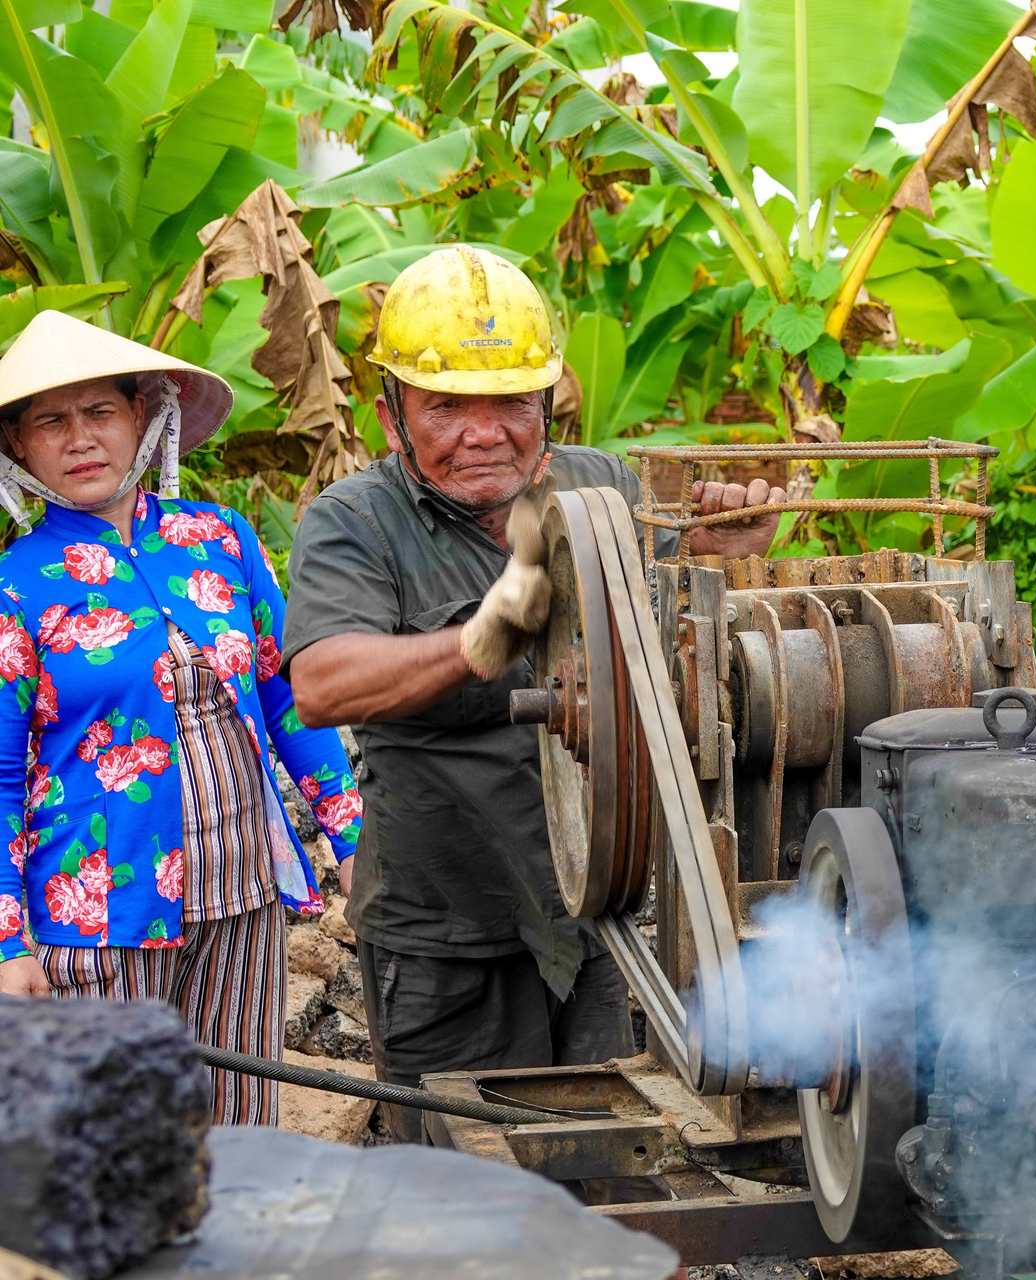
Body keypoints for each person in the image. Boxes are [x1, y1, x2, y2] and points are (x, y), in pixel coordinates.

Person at [283, 245, 783, 1140]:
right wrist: (486, 634)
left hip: (592, 917)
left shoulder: (603, 489)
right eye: (447, 407)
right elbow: (322, 685)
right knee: (465, 1200)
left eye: (511, 401)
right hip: (444, 933)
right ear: (392, 413)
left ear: (546, 402)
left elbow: (666, 631)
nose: (484, 433)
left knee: (599, 1173)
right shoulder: (355, 523)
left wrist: (729, 546)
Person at [0, 310, 362, 1124]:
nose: (80, 438)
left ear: (144, 416)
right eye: (50, 421)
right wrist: (8, 944)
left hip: (243, 899)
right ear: (19, 446)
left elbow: (288, 697)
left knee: (241, 1124)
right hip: (98, 920)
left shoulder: (222, 542)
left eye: (100, 412)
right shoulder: (16, 588)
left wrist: (352, 839)